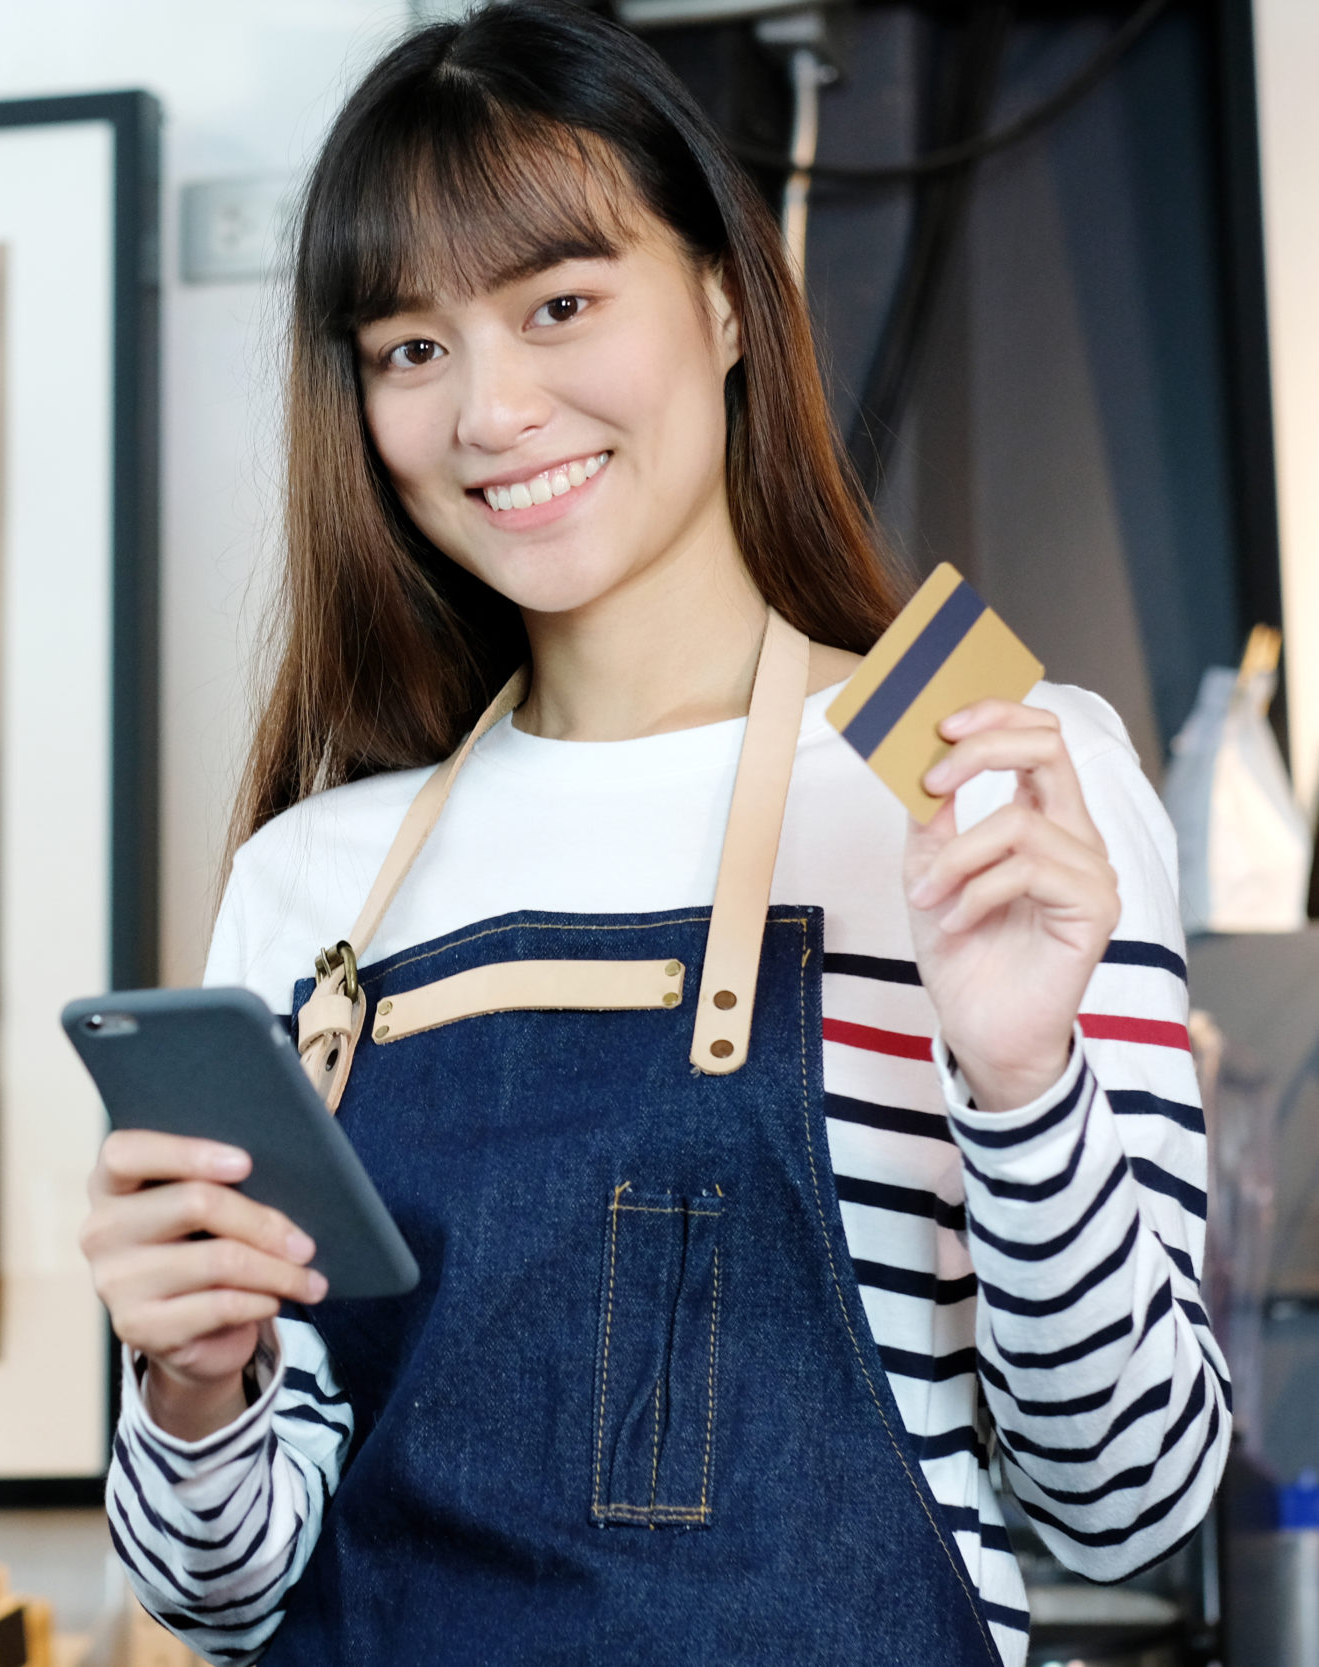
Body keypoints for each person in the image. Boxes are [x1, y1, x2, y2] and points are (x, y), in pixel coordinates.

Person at [78, 7, 1228, 1664]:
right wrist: (193, 1391)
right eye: (412, 347)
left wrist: (1021, 1082)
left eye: (559, 305)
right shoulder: (315, 880)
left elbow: (1129, 1498)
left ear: (724, 296)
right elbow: (227, 1595)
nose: (490, 410)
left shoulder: (987, 775)